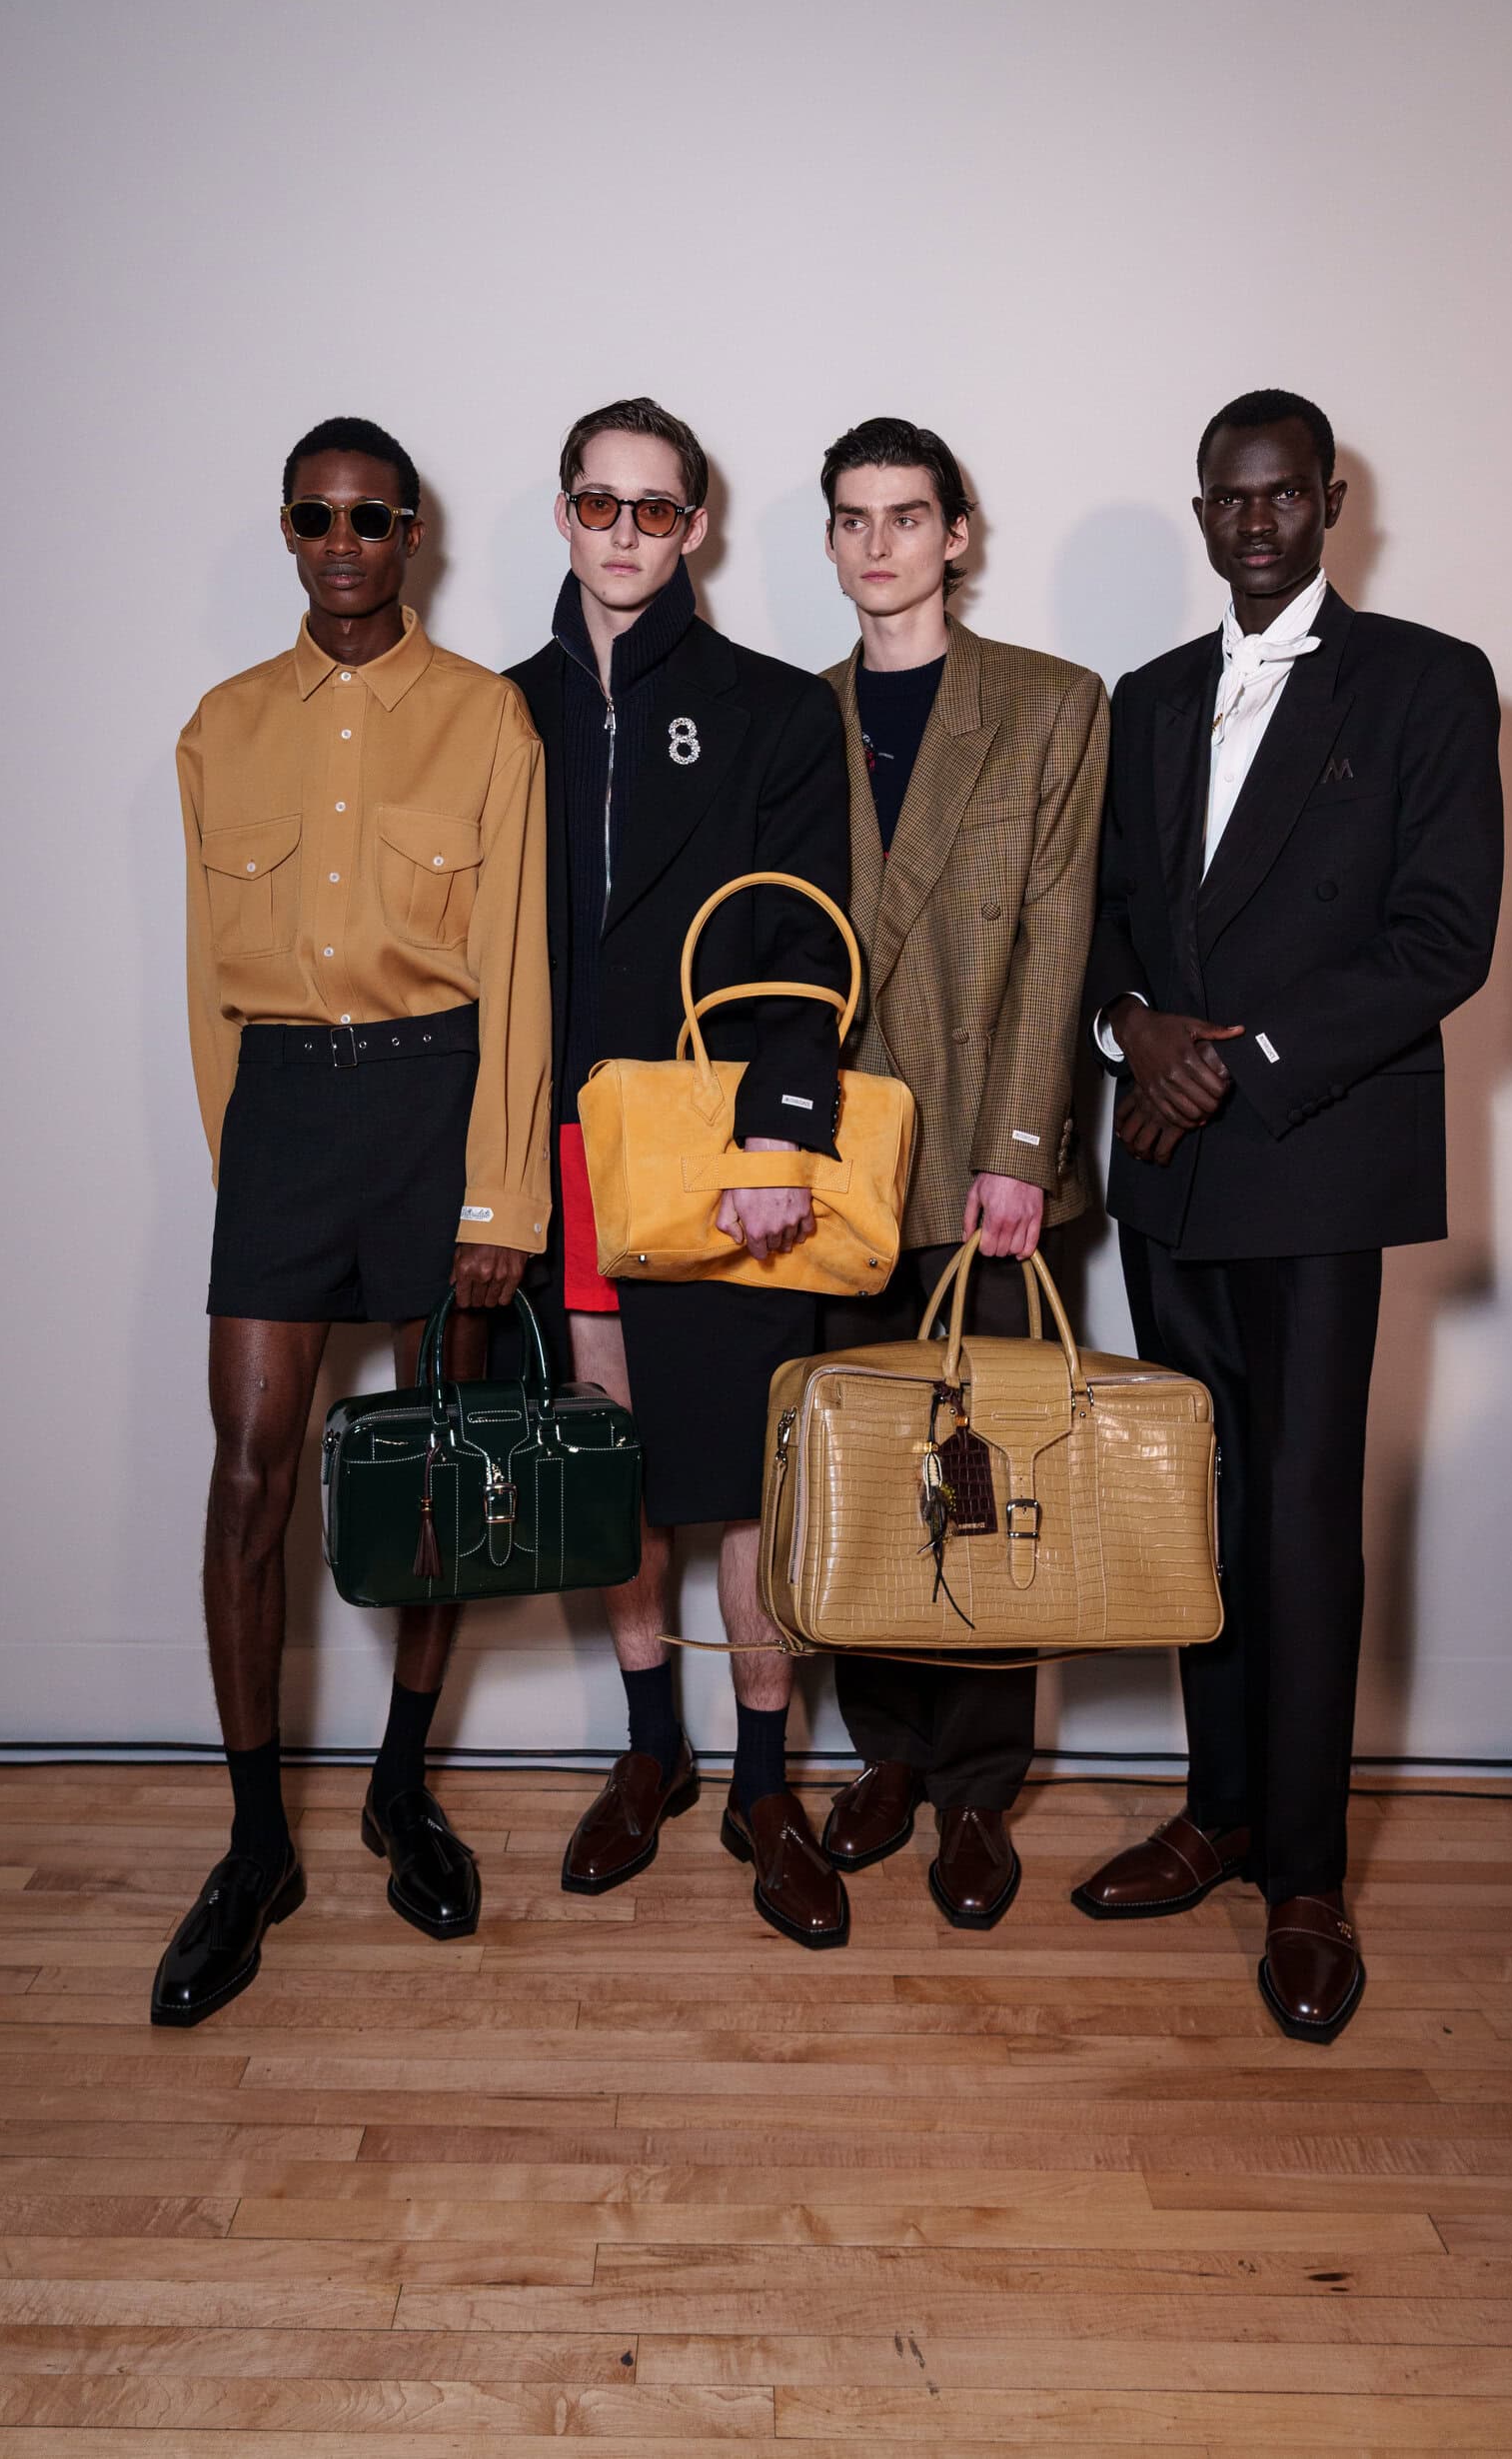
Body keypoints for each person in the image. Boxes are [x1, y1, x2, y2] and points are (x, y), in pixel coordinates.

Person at [1072, 389, 1503, 2041]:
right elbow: (1109, 909)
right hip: (1167, 1166)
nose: (1253, 522)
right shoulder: (1147, 696)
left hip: (1309, 1155)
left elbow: (1439, 936)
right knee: (1196, 1504)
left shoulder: (1425, 681)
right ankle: (1221, 1812)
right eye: (1226, 498)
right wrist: (1131, 1031)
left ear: (1329, 503)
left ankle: (1307, 1877)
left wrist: (1232, 1064)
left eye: (1281, 495)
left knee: (1304, 1515)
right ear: (1203, 514)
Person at [155, 416, 552, 2027]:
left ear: (410, 537)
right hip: (284, 1121)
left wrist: (500, 1191)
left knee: (434, 1467)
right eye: (317, 519)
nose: (343, 546)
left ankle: (399, 1785)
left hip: (432, 1109)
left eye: (371, 520)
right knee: (250, 1473)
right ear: (288, 531)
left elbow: (514, 964)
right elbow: (207, 983)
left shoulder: (485, 716)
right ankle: (255, 1841)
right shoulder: (221, 725)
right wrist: (239, 1164)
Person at [506, 397, 853, 1948]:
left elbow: (808, 934)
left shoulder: (772, 707)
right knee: (613, 1464)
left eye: (655, 508)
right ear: (564, 514)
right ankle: (653, 1748)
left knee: (747, 1480)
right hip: (567, 1150)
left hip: (724, 1149)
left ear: (693, 525)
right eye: (600, 504)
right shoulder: (498, 710)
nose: (625, 533)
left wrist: (782, 1131)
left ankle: (765, 1779)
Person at [813, 417, 1108, 1927]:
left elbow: (1059, 932)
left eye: (907, 516)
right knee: (870, 1470)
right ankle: (884, 1754)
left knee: (989, 1476)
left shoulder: (1051, 703)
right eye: (853, 519)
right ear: (830, 540)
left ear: (957, 534)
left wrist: (1018, 1153)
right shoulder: (794, 714)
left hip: (990, 1156)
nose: (880, 544)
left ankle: (980, 1785)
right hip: (841, 1166)